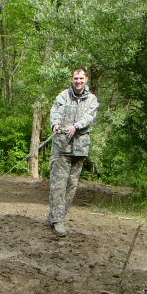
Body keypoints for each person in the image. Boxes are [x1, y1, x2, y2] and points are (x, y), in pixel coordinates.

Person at [47, 67, 99, 237]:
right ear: (72, 79)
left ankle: (56, 216)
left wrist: (76, 126)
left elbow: (89, 118)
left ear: (87, 80)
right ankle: (58, 221)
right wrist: (55, 123)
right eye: (76, 78)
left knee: (71, 186)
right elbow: (55, 111)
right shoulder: (63, 95)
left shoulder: (92, 100)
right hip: (61, 146)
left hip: (80, 148)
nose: (78, 81)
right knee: (58, 184)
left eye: (81, 78)